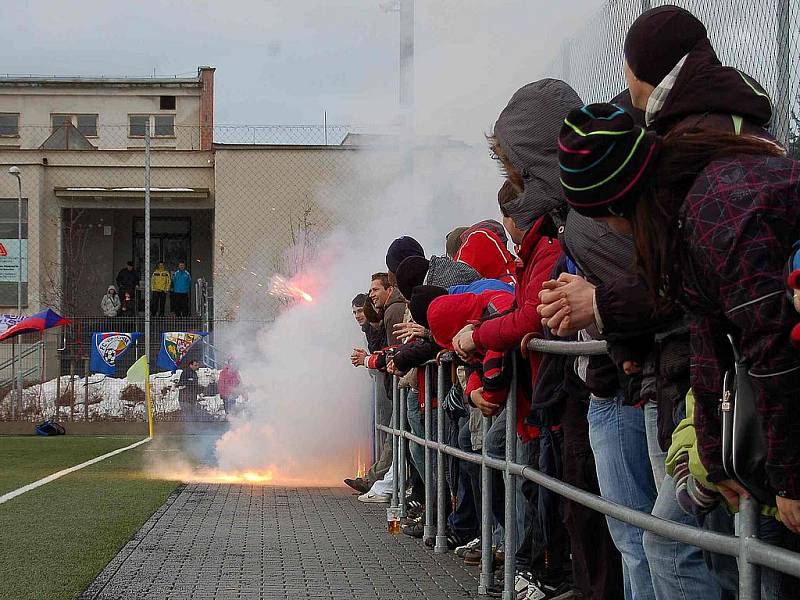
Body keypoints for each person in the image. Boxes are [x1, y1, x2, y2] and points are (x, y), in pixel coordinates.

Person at [557, 102, 800, 598]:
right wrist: (711, 461)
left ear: (614, 204)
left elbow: (772, 350)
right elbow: (708, 338)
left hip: (787, 401)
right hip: (766, 407)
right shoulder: (681, 211)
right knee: (693, 544)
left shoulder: (713, 212)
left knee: (747, 558)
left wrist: (790, 478)